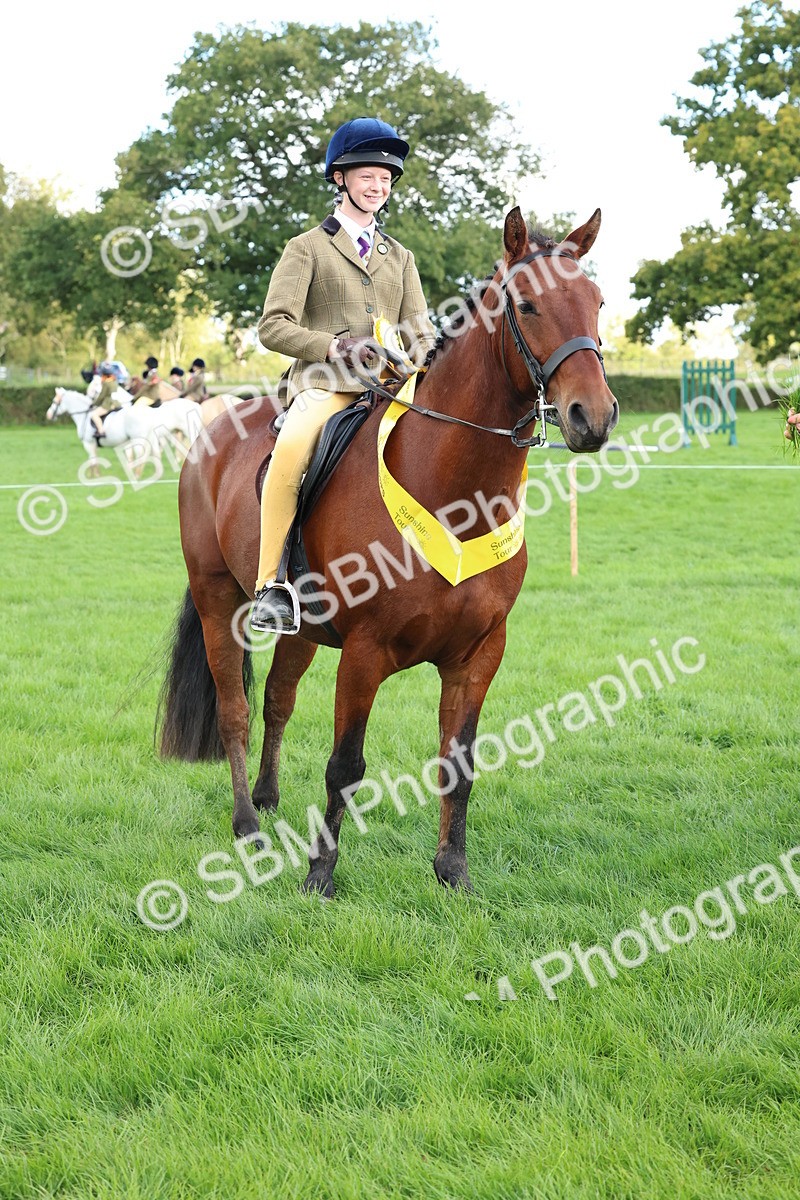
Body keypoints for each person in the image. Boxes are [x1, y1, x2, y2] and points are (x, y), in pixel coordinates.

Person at [250, 117, 436, 634]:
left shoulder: (400, 256)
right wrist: (334, 344)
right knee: (290, 450)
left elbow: (419, 331)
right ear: (340, 178)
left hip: (393, 386)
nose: (377, 186)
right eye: (366, 176)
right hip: (324, 385)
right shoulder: (305, 247)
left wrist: (431, 358)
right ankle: (271, 586)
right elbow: (273, 326)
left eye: (385, 178)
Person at [90, 362, 124, 439]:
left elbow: (102, 396)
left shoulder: (106, 383)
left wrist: (94, 403)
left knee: (94, 415)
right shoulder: (114, 381)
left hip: (108, 404)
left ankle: (101, 431)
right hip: (117, 403)